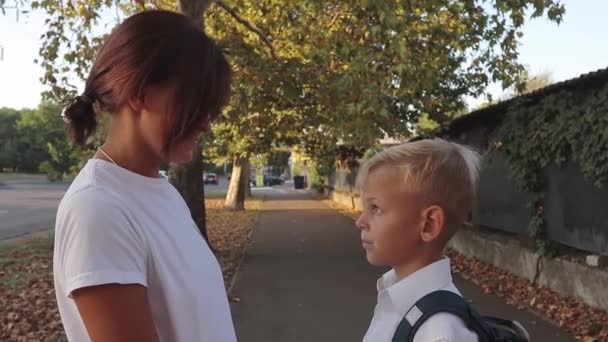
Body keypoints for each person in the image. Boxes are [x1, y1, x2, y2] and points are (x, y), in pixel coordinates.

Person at [53, 10, 235, 342]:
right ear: (138, 93)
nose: (207, 124)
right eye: (196, 103)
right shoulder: (98, 210)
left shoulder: (163, 193)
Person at [356, 138, 481, 342]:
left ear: (429, 224)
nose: (360, 221)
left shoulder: (438, 332)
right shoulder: (397, 296)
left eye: (376, 208)